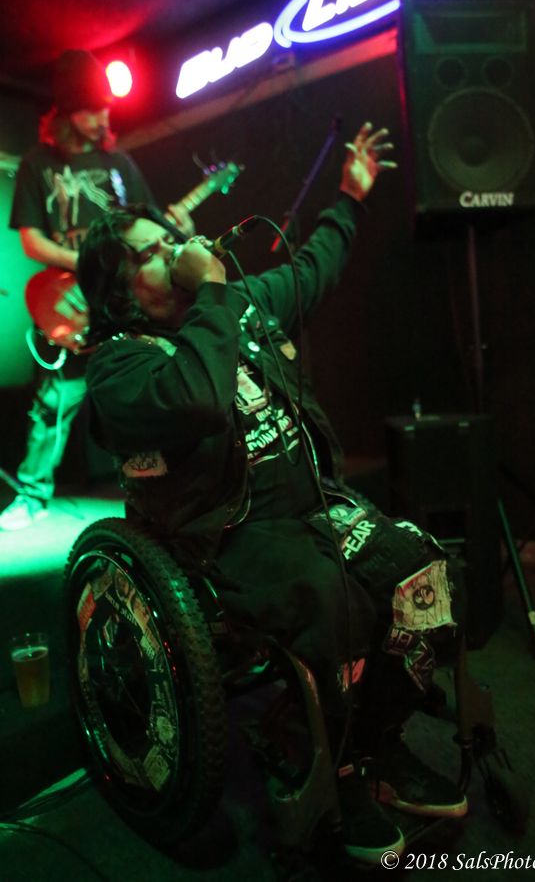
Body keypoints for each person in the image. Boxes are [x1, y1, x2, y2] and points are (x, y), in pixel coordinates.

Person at [76, 122, 467, 865]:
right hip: (228, 540)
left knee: (428, 576)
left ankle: (370, 742)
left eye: (171, 239)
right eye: (151, 252)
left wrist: (349, 197)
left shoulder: (240, 304)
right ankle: (334, 767)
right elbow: (196, 396)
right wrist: (212, 292)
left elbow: (314, 268)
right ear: (119, 291)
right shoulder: (119, 365)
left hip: (313, 508)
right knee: (331, 598)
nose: (175, 251)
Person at [0, 49, 193, 531]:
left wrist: (177, 227)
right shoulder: (39, 164)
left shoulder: (120, 163)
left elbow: (148, 224)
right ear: (66, 114)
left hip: (124, 304)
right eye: (91, 110)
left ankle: (163, 489)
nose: (103, 118)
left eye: (105, 107)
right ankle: (32, 495)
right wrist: (87, 264)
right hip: (72, 303)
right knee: (55, 402)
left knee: (145, 389)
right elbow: (32, 241)